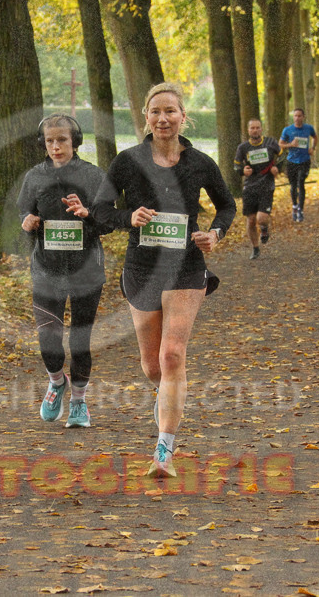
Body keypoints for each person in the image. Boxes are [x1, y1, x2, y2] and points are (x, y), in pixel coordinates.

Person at [92, 83, 236, 478]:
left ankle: (164, 451)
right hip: (142, 269)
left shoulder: (201, 163)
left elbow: (227, 205)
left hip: (186, 267)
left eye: (170, 111)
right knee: (153, 365)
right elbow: (101, 211)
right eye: (155, 111)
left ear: (183, 116)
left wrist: (215, 233)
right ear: (145, 117)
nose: (163, 118)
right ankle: (169, 395)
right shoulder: (127, 161)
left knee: (173, 355)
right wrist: (128, 218)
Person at [17, 115, 111, 428]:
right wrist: (27, 222)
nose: (56, 147)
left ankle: (80, 403)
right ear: (43, 143)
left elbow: (110, 221)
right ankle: (57, 381)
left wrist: (89, 214)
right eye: (50, 141)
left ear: (75, 142)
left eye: (63, 140)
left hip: (86, 271)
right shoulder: (34, 176)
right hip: (47, 270)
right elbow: (24, 210)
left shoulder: (93, 176)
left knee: (80, 341)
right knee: (48, 340)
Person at [234, 118, 280, 259]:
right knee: (251, 220)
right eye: (252, 128)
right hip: (250, 187)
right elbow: (236, 166)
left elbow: (283, 155)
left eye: (257, 128)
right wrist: (243, 171)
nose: (255, 130)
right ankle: (255, 248)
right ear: (248, 130)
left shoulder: (270, 143)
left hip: (266, 185)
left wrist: (277, 168)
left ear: (261, 129)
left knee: (261, 218)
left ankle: (264, 229)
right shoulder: (243, 148)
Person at [278, 108, 317, 222]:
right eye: (295, 115)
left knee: (301, 182)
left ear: (303, 117)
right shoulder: (287, 130)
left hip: (304, 160)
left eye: (299, 116)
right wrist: (291, 144)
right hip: (291, 161)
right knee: (293, 185)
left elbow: (315, 137)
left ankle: (301, 209)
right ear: (293, 117)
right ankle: (295, 206)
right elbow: (280, 144)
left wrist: (312, 148)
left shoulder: (308, 128)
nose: (297, 118)